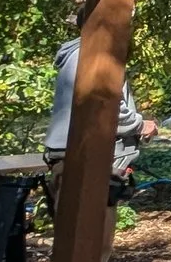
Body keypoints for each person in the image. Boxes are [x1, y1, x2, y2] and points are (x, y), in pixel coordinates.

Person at [44, 17, 157, 186]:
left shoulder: (78, 53)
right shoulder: (97, 56)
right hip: (89, 155)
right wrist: (140, 126)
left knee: (70, 210)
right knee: (97, 211)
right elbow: (107, 108)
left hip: (67, 150)